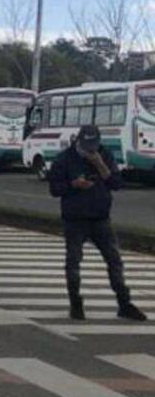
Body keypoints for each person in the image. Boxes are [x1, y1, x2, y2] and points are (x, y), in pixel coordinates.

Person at [48, 124, 147, 322]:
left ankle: (124, 303)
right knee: (73, 261)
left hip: (101, 218)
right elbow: (55, 189)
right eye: (87, 146)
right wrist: (73, 185)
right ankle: (75, 303)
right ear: (78, 141)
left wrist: (101, 165)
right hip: (75, 219)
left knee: (114, 260)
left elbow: (116, 184)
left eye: (94, 145)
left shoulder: (105, 155)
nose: (90, 150)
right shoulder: (64, 159)